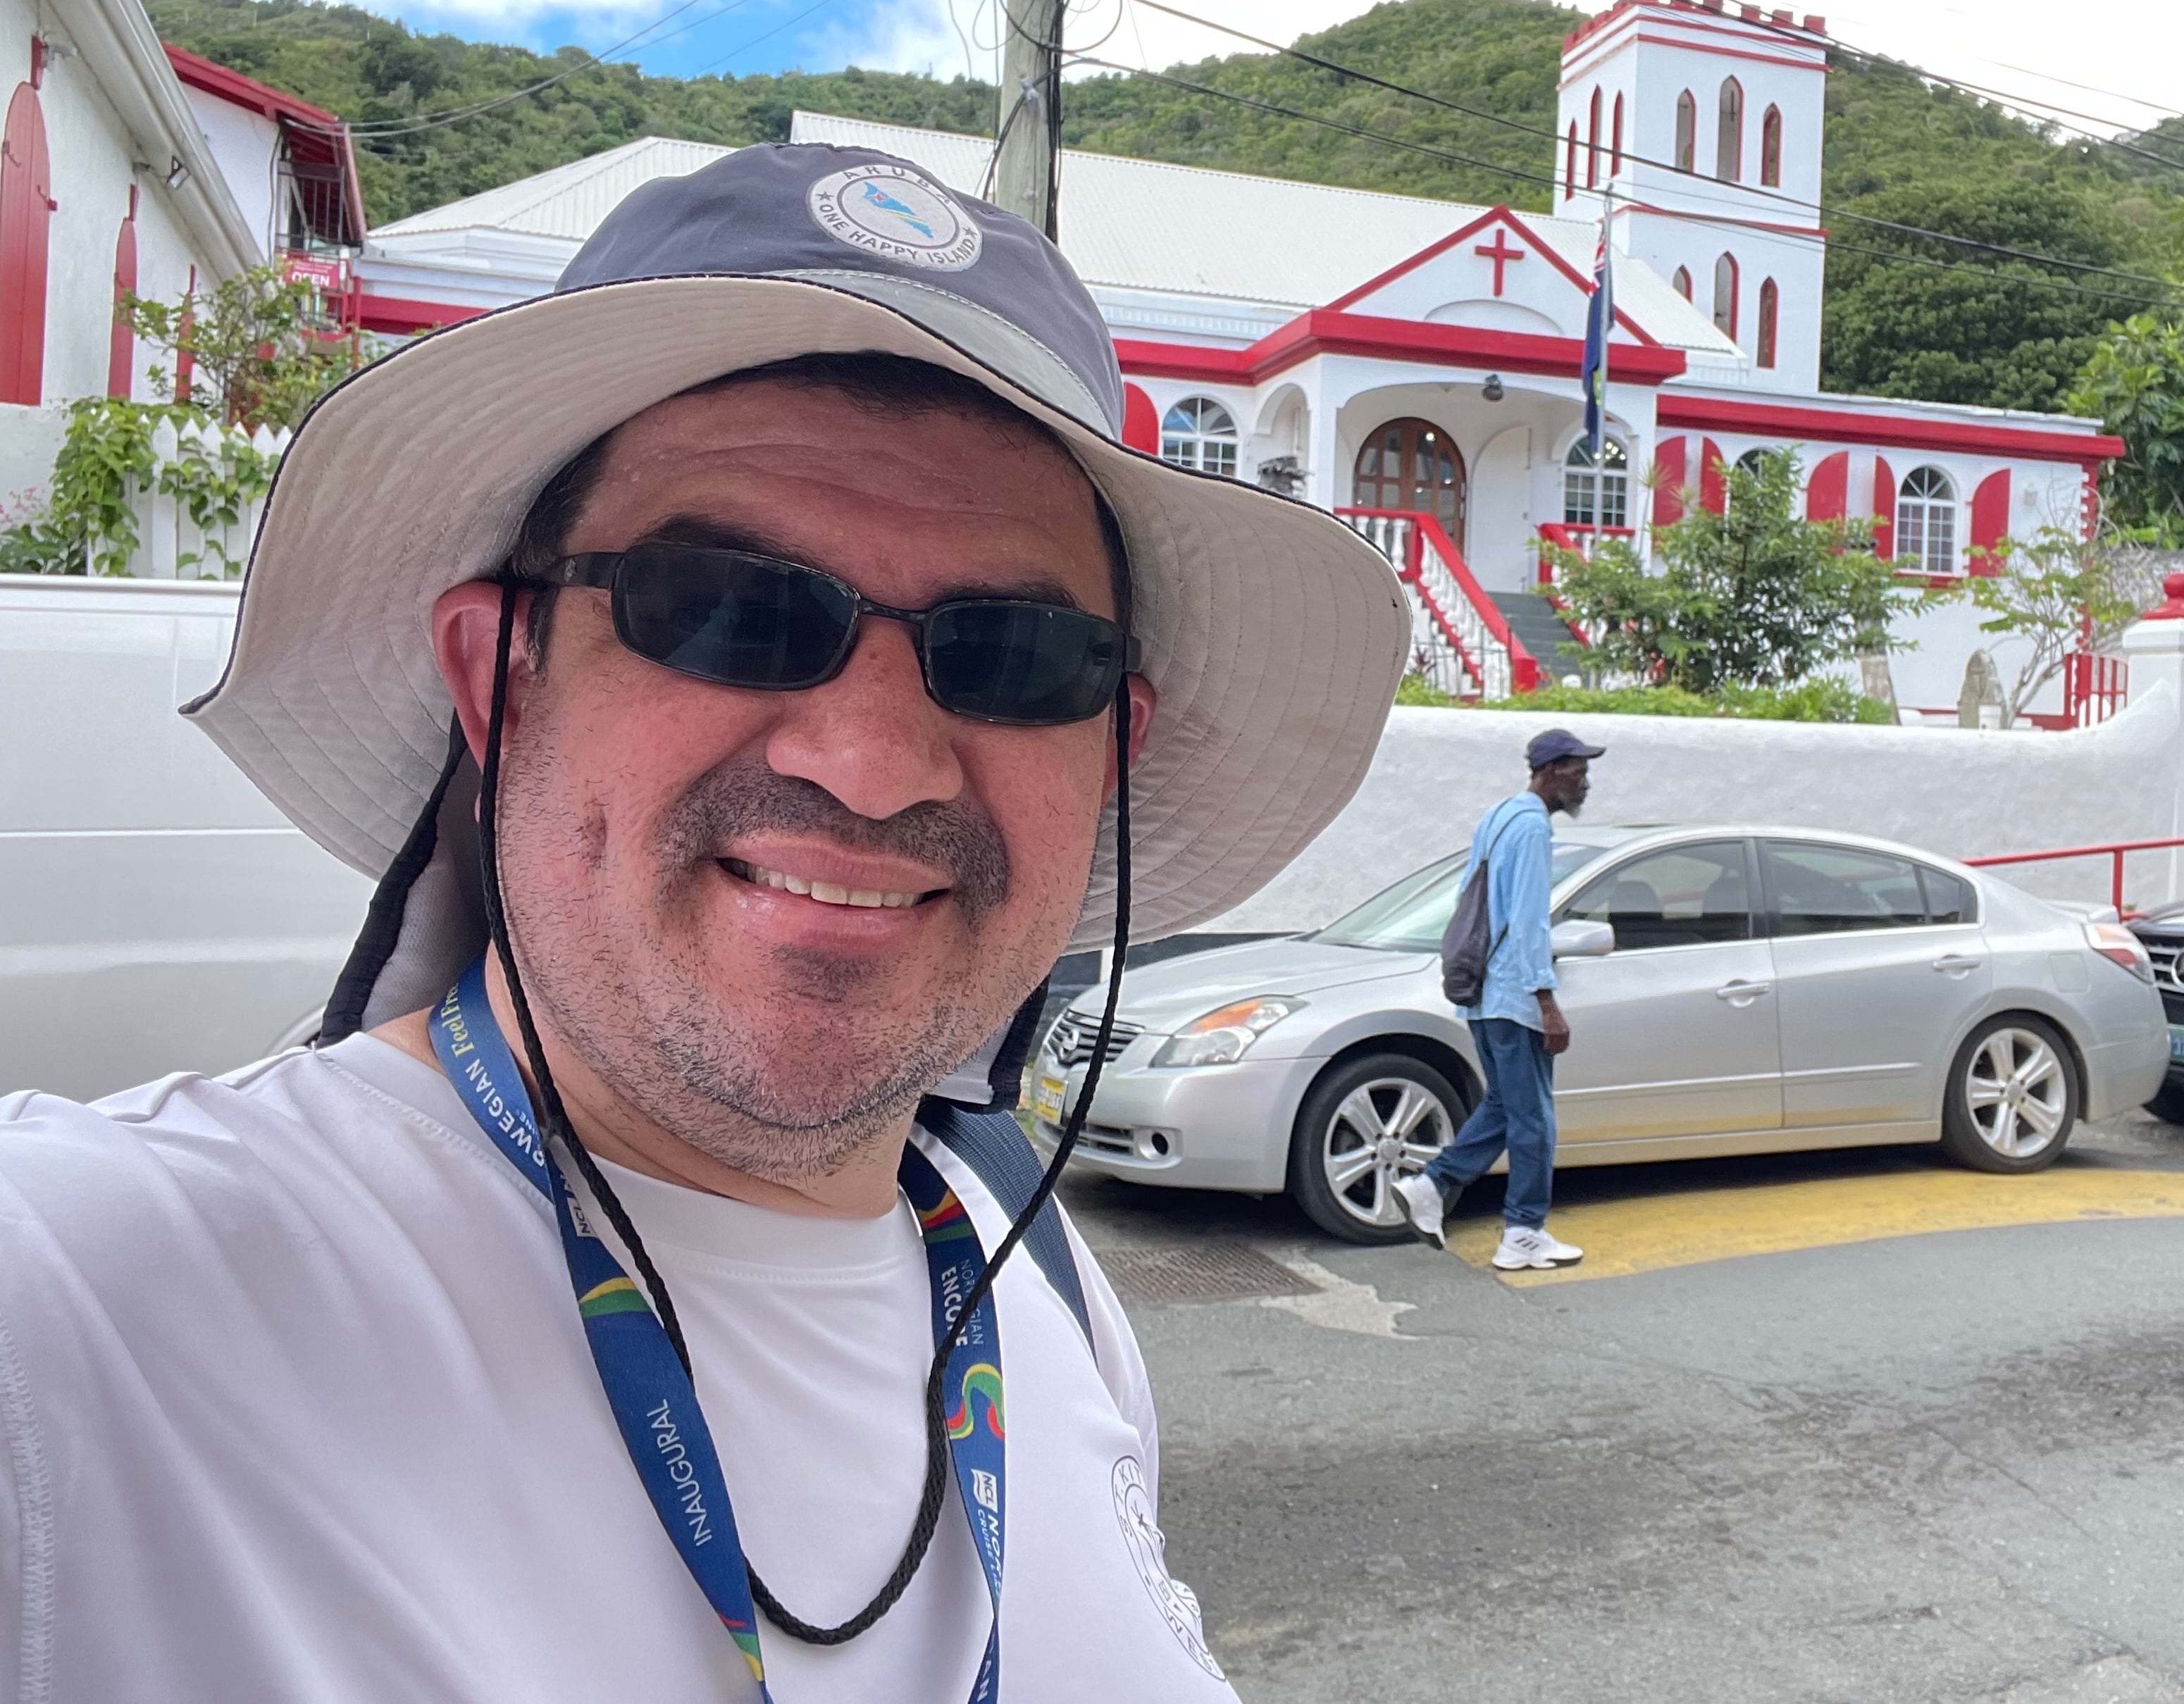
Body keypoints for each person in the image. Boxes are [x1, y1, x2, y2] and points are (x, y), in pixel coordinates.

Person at [0, 144, 1410, 1699]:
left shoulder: (1035, 1286)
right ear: (499, 680)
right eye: (729, 606)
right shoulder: (94, 1309)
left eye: (1010, 652)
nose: (867, 763)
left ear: (1108, 757)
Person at [1398, 728, 1602, 1271]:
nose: (1586, 780)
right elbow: (1530, 920)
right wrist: (1547, 1001)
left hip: (1484, 993)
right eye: (1578, 769)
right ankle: (1524, 1231)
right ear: (1551, 770)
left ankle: (1432, 1185)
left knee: (1505, 1107)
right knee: (1534, 1118)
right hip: (1515, 994)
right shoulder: (1533, 828)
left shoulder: (1499, 816)